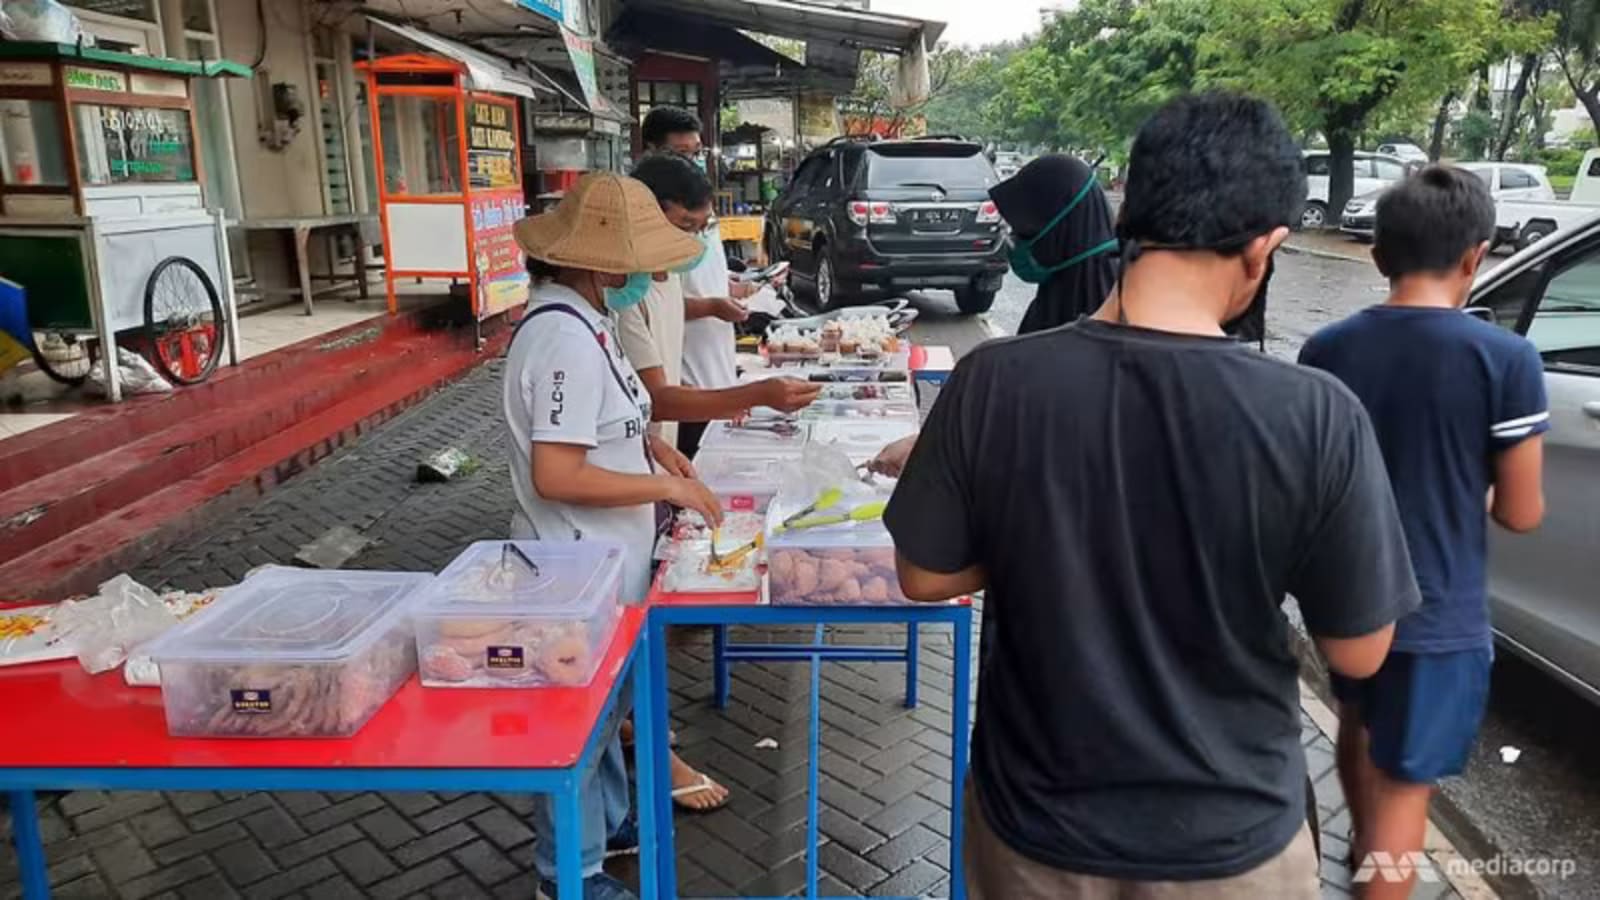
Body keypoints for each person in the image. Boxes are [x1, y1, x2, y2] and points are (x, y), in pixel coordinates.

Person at [882, 92, 1420, 898]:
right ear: (1265, 247)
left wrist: (1046, 545)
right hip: (1232, 843)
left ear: (1132, 208)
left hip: (1036, 832)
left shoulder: (995, 381)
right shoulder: (1315, 414)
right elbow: (1359, 652)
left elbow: (923, 578)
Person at [1299, 165, 1547, 899]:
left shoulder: (1328, 348)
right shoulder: (1505, 359)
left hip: (1348, 599)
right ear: (1478, 255)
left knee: (1355, 720)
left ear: (1377, 254)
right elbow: (1522, 512)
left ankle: (1360, 853)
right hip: (1438, 615)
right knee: (1408, 795)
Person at [505, 171, 722, 900]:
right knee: (577, 731)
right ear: (601, 263)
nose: (648, 272)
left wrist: (653, 448)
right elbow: (558, 473)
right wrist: (664, 487)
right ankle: (566, 876)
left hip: (609, 564)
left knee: (603, 715)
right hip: (573, 567)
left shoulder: (588, 317)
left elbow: (608, 420)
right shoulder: (562, 336)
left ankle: (610, 827)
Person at [611, 154, 819, 814]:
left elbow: (637, 411)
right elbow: (648, 400)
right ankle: (637, 742)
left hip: (648, 473)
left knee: (643, 620)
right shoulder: (606, 305)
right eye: (683, 225)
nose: (691, 242)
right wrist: (752, 390)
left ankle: (633, 723)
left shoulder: (659, 276)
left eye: (702, 229)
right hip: (611, 502)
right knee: (631, 625)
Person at [639, 105, 762, 457]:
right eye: (681, 154)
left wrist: (730, 286)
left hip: (715, 370)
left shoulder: (696, 207)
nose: (691, 162)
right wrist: (709, 305)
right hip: (683, 383)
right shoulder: (636, 278)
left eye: (696, 153)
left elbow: (701, 273)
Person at [990, 154, 1120, 334]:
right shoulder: (1056, 299)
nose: (1015, 242)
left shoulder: (1117, 319)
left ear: (1059, 229)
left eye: (1025, 232)